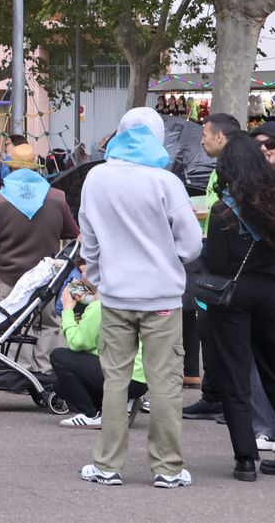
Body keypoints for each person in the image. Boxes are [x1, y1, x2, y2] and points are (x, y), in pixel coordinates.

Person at [78, 106, 203, 489]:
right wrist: (169, 260)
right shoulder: (165, 182)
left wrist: (100, 277)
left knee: (114, 379)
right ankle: (166, 468)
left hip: (116, 295)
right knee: (164, 382)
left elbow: (90, 239)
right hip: (162, 297)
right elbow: (193, 244)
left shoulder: (96, 177)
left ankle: (107, 464)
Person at [201, 132, 275, 481]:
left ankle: (246, 459)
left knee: (235, 375)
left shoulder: (223, 209)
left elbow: (214, 261)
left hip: (234, 295)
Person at [0, 141, 77, 370]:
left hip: (11, 274)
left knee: (12, 321)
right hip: (48, 275)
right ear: (36, 169)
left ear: (10, 170)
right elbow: (73, 233)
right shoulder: (57, 198)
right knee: (48, 323)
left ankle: (20, 368)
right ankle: (45, 367)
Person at [185, 111, 244, 419]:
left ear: (220, 137)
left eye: (205, 134)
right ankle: (214, 394)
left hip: (225, 265)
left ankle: (223, 398)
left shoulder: (236, 170)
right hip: (212, 258)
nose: (202, 139)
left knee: (219, 329)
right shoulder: (219, 168)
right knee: (208, 327)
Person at [52, 266, 147, 429]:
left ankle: (90, 414)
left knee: (59, 357)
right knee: (60, 386)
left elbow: (76, 343)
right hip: (139, 378)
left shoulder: (98, 307)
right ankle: (121, 405)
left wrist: (68, 310)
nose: (81, 268)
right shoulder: (124, 300)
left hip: (123, 376)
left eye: (88, 266)